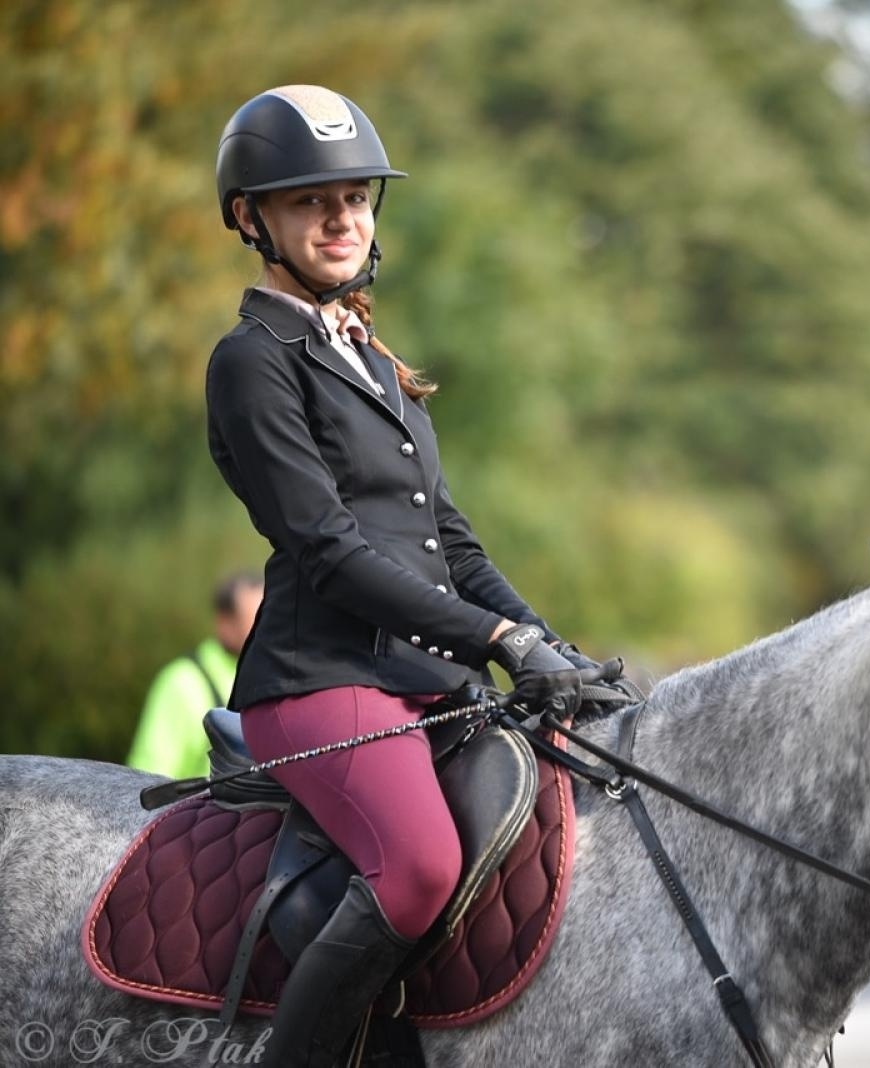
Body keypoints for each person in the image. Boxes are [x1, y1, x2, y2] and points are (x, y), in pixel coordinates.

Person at [209, 85, 603, 1066]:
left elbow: (450, 542)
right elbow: (330, 550)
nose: (341, 219)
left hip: (426, 684)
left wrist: (545, 641)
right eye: (311, 201)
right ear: (251, 218)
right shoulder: (253, 361)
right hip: (320, 682)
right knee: (422, 868)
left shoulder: (372, 362)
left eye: (355, 197)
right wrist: (499, 643)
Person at [126, 572, 264, 780]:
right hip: (195, 811)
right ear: (224, 623)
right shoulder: (182, 683)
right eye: (256, 618)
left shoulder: (271, 678)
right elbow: (145, 781)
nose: (265, 629)